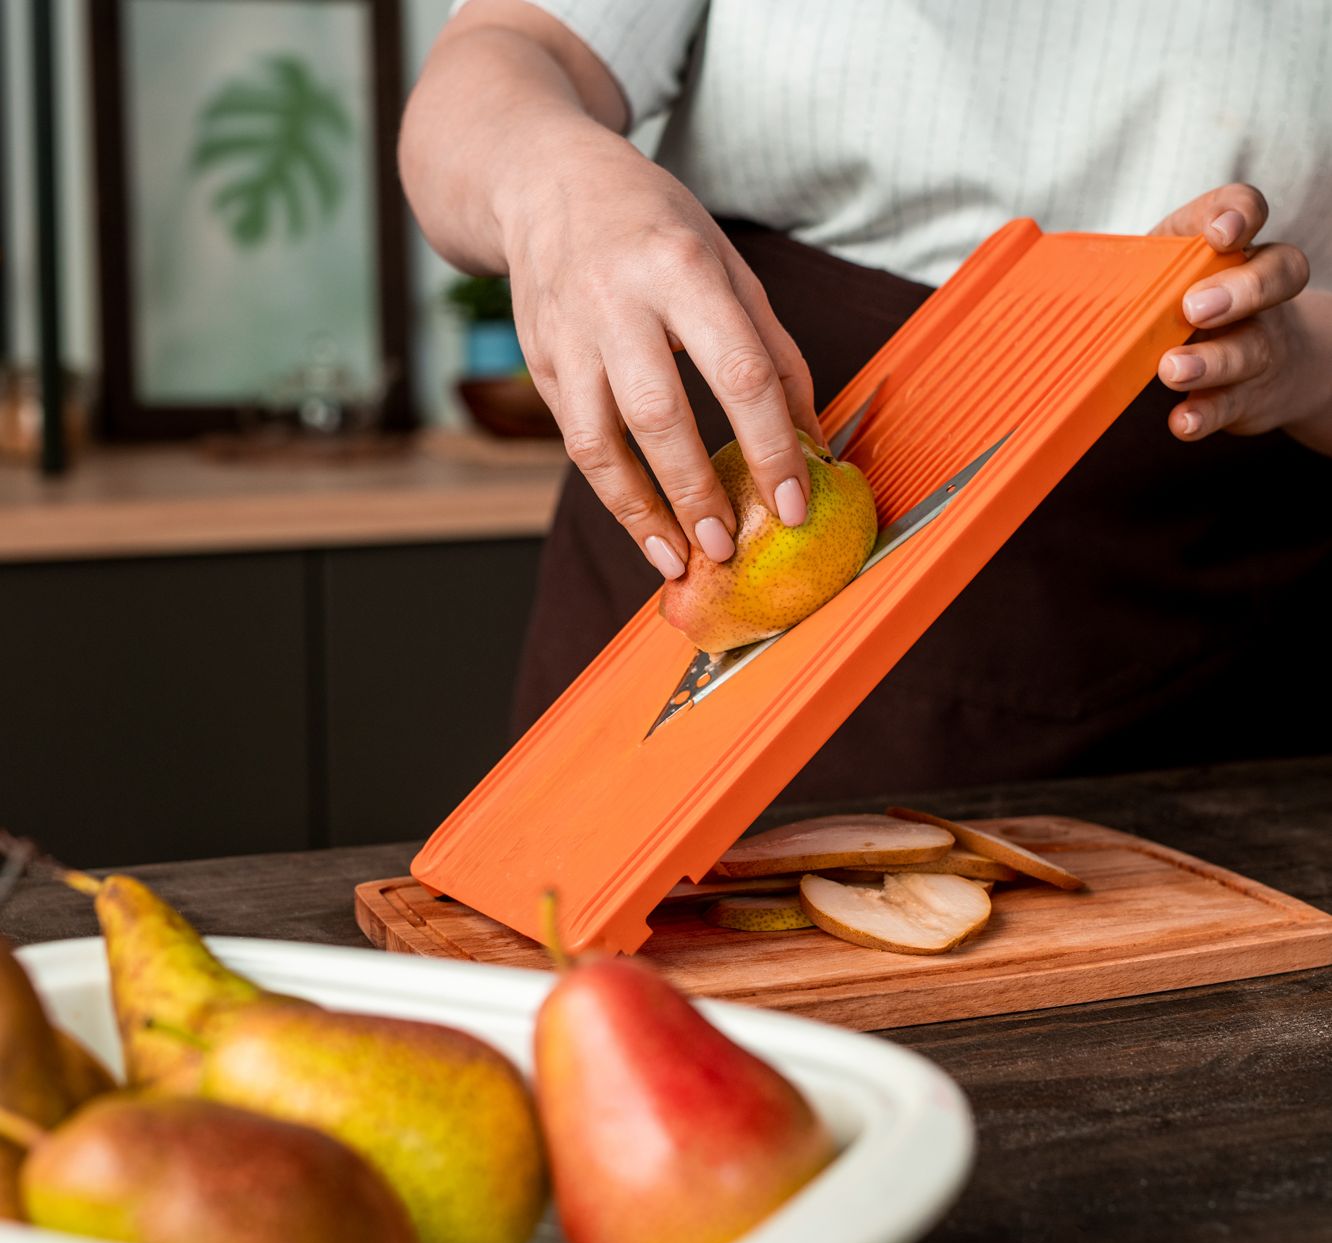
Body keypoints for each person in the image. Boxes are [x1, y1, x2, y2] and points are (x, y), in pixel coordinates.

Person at [401, 1, 1332, 800]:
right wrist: (552, 183)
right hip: (692, 581)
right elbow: (505, 54)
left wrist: (1308, 360)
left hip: (1205, 661)